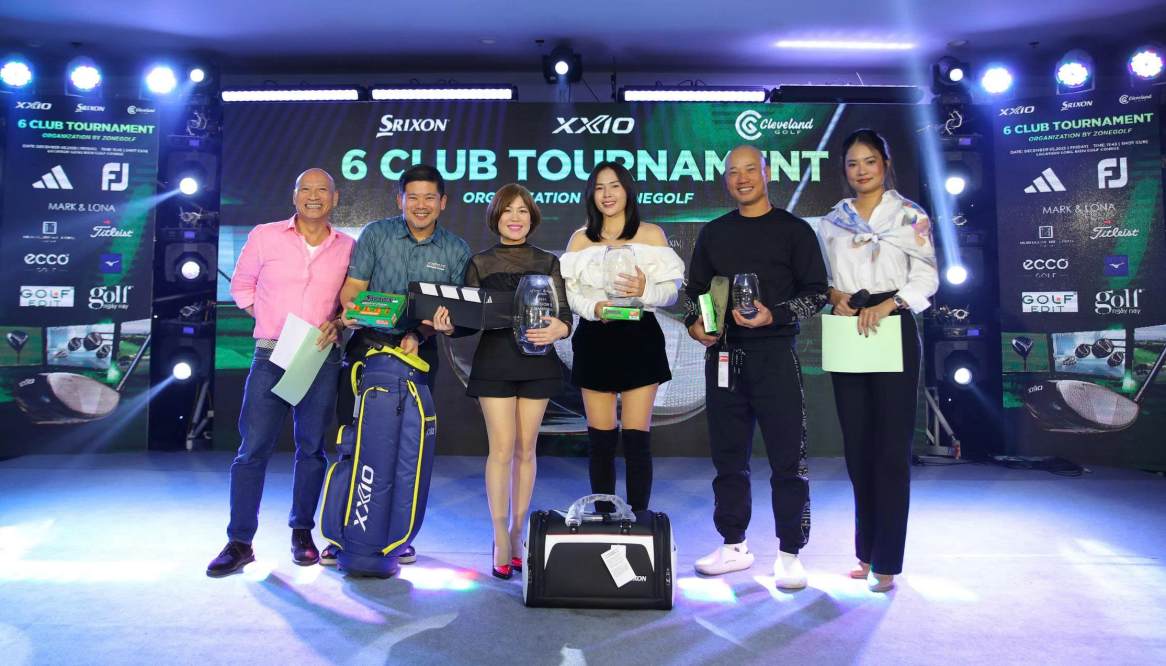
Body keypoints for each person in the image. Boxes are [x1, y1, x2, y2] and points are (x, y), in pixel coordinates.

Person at [685, 145, 828, 589]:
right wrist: (696, 324)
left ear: (766, 173)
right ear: (725, 179)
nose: (742, 178)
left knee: (788, 460)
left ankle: (789, 553)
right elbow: (695, 292)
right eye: (733, 172)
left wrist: (775, 315)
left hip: (775, 356)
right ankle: (733, 544)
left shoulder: (794, 230)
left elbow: (817, 293)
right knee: (728, 458)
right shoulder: (714, 233)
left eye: (750, 169)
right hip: (724, 355)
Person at [207, 168, 354, 577]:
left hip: (320, 357)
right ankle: (239, 542)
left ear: (335, 198)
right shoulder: (264, 236)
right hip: (271, 353)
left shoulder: (348, 247)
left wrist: (339, 323)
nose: (313, 196)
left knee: (312, 448)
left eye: (322, 190)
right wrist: (269, 319)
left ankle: (302, 533)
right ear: (294, 196)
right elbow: (241, 286)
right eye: (305, 189)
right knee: (252, 449)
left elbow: (352, 302)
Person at [328, 164, 471, 566]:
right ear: (400, 200)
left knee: (406, 449)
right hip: (366, 350)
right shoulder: (376, 234)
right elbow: (354, 288)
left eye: (430, 198)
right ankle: (340, 534)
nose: (421, 205)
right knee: (352, 442)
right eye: (413, 197)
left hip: (417, 356)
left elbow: (450, 312)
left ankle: (395, 536)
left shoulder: (456, 250)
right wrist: (352, 309)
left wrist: (421, 334)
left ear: (443, 203)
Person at [818, 129, 938, 593]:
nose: (861, 170)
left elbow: (927, 276)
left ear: (885, 164)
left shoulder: (910, 215)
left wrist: (891, 304)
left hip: (892, 325)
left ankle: (887, 561)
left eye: (869, 161)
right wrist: (836, 297)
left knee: (890, 451)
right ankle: (864, 552)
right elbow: (822, 278)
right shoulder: (832, 221)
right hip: (848, 326)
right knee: (858, 449)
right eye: (852, 163)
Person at [453, 183, 571, 579]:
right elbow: (465, 320)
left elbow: (565, 317)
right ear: (496, 217)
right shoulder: (480, 263)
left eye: (522, 210)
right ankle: (500, 536)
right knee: (501, 450)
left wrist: (559, 328)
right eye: (508, 210)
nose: (515, 217)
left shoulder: (547, 262)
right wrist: (447, 323)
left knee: (526, 450)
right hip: (495, 364)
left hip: (537, 363)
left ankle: (519, 532)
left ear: (532, 217)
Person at [560, 162, 685, 515]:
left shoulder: (652, 235)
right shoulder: (580, 239)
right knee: (600, 441)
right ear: (591, 194)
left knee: (636, 440)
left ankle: (638, 521)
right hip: (595, 339)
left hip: (639, 339)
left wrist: (646, 290)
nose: (607, 194)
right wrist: (594, 308)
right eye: (600, 187)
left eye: (614, 186)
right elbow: (570, 296)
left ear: (627, 190)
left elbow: (672, 292)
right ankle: (604, 519)